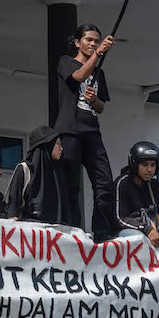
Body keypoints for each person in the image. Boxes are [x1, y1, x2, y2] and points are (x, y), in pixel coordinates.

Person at [53, 25, 116, 237]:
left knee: (105, 182)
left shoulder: (100, 72)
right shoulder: (65, 62)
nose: (93, 44)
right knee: (70, 184)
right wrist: (98, 54)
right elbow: (78, 76)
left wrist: (94, 99)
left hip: (92, 132)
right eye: (88, 40)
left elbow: (100, 107)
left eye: (96, 41)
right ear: (77, 43)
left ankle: (101, 231)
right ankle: (71, 231)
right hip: (70, 131)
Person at [5, 126, 68, 223]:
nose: (61, 148)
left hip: (55, 232)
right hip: (30, 232)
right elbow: (13, 206)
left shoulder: (57, 172)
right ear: (48, 144)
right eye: (58, 144)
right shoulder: (24, 169)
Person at [114, 141, 159, 245]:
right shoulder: (122, 183)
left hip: (153, 231)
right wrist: (147, 229)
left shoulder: (155, 185)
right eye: (144, 165)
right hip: (128, 232)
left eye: (153, 165)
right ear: (134, 164)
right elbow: (119, 219)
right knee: (140, 239)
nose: (149, 170)